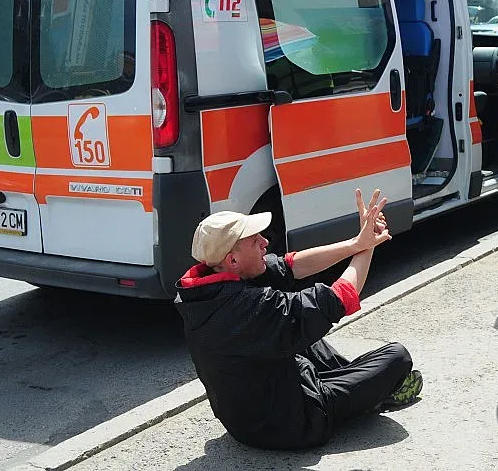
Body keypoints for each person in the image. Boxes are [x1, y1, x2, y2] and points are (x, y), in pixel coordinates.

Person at [174, 189, 422, 450]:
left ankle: (366, 386)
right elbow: (337, 299)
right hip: (292, 423)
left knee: (302, 329)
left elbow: (291, 265)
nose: (265, 242)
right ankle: (370, 392)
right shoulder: (246, 308)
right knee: (397, 357)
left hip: (247, 418)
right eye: (255, 240)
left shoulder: (208, 286)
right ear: (232, 259)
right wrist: (369, 246)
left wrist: (356, 243)